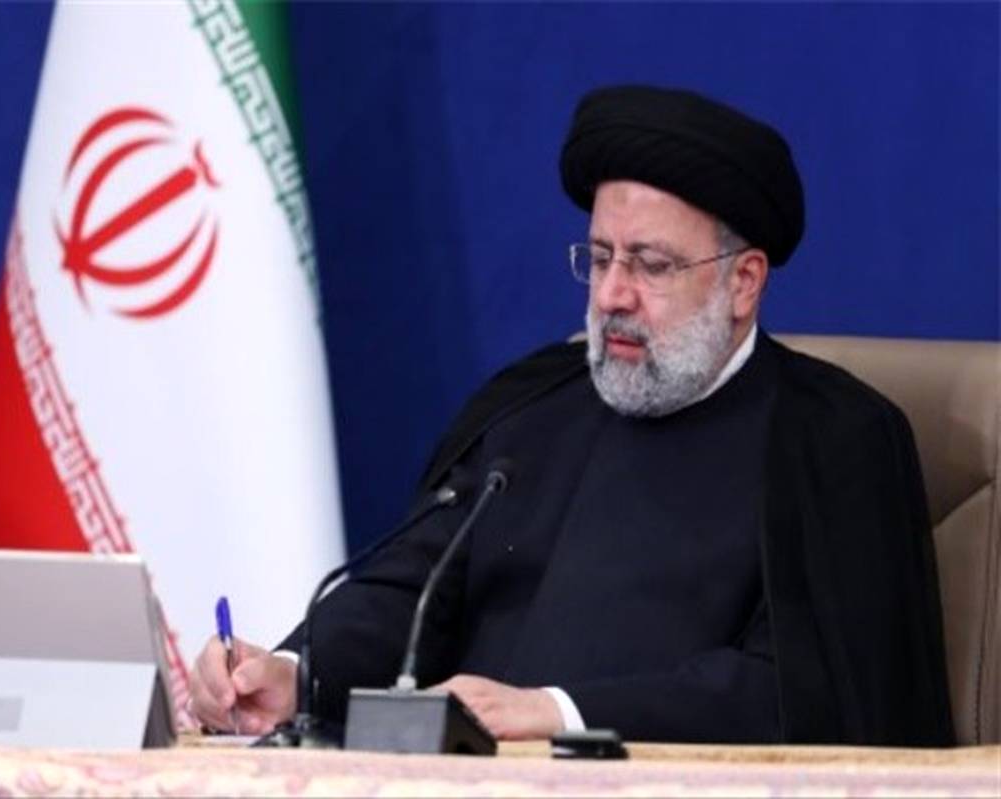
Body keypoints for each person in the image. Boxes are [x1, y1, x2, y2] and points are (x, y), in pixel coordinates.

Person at [189, 85, 954, 746]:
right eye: (601, 257)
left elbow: (804, 691)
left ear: (744, 282)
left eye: (651, 264)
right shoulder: (531, 406)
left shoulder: (834, 437)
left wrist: (558, 712)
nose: (613, 294)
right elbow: (411, 591)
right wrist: (295, 671)